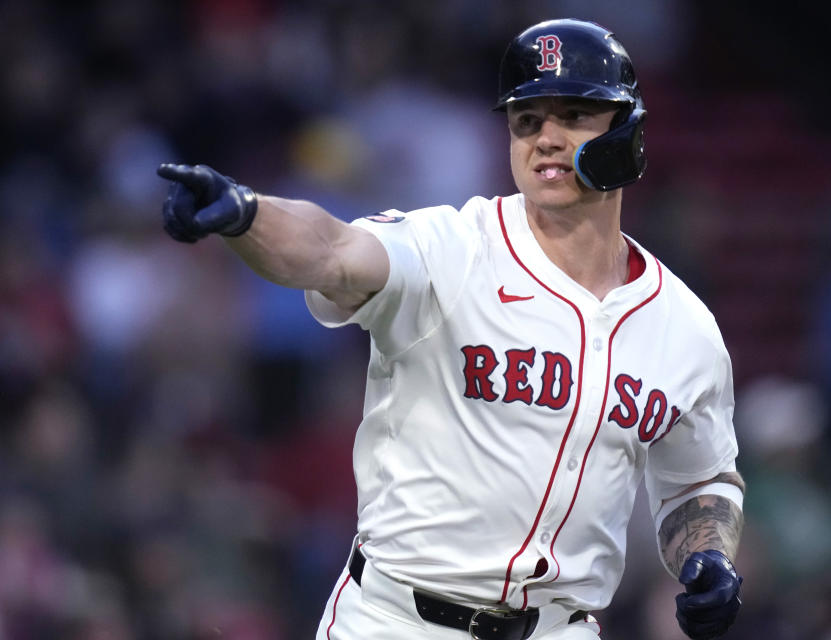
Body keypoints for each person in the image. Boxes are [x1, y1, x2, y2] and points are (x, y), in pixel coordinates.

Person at [157, 18, 745, 640]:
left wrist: (708, 557)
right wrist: (248, 214)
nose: (544, 138)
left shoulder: (683, 328)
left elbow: (701, 478)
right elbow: (331, 249)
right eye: (526, 121)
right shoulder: (450, 248)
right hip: (399, 620)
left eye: (572, 115)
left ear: (627, 130)